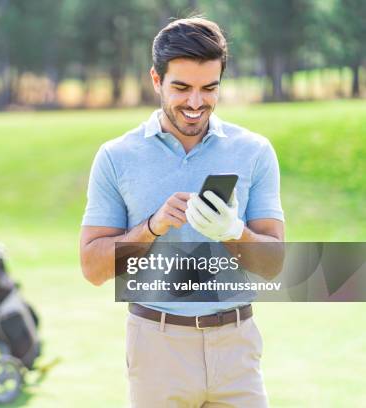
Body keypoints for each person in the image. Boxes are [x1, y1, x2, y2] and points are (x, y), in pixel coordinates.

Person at [79, 17, 285, 407]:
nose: (195, 103)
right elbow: (92, 268)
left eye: (209, 89)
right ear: (156, 80)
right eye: (181, 87)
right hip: (157, 347)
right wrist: (151, 227)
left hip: (236, 347)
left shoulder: (254, 151)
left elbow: (275, 264)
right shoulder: (116, 157)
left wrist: (233, 231)